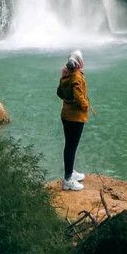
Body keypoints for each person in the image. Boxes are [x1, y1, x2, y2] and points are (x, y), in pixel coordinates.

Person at [56, 49, 89, 191]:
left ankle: (70, 172)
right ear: (79, 62)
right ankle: (68, 180)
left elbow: (59, 93)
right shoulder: (76, 76)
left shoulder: (66, 75)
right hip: (75, 117)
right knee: (71, 146)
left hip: (66, 114)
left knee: (70, 146)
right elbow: (77, 93)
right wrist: (85, 105)